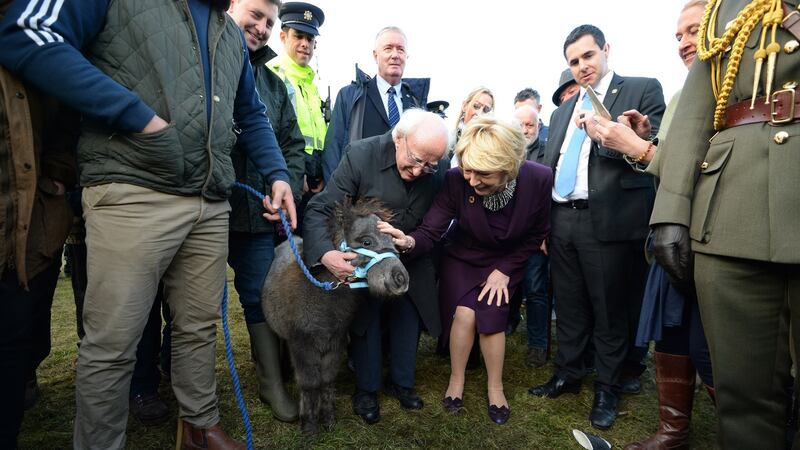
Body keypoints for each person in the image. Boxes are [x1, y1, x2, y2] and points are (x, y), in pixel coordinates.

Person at [0, 0, 297, 448]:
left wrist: (277, 172)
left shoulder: (229, 30)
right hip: (131, 190)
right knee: (113, 342)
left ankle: (199, 428)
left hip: (210, 202)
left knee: (198, 329)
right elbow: (26, 33)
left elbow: (250, 112)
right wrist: (138, 117)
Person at [649, 0, 800, 447]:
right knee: (742, 399)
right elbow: (697, 110)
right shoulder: (725, 11)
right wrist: (672, 210)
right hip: (732, 215)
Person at [573, 2, 714, 449]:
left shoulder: (733, 90)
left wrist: (635, 146)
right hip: (674, 234)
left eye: (695, 30)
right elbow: (680, 155)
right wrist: (650, 136)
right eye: (678, 35)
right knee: (673, 330)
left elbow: (709, 165)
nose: (684, 43)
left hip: (711, 233)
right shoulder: (685, 94)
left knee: (711, 344)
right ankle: (673, 432)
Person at [530, 24, 665, 430]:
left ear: (605, 50)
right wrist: (543, 224)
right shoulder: (561, 111)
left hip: (607, 221)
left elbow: (656, 148)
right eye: (573, 61)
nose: (582, 66)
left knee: (609, 310)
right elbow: (551, 166)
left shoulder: (641, 89)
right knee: (568, 305)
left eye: (588, 56)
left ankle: (608, 387)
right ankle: (568, 374)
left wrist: (632, 136)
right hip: (562, 219)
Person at [380, 116, 552, 425]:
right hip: (462, 256)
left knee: (492, 312)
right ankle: (456, 380)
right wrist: (407, 241)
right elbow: (432, 230)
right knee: (465, 313)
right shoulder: (456, 178)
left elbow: (537, 233)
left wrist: (506, 270)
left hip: (505, 262)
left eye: (483, 174)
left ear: (509, 166)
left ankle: (495, 387)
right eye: (468, 170)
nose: (472, 181)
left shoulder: (539, 179)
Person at [303, 109, 449, 425]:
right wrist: (326, 254)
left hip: (412, 257)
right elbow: (321, 209)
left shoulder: (437, 168)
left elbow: (437, 221)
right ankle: (366, 390)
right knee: (367, 321)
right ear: (399, 138)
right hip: (367, 261)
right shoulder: (361, 155)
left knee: (407, 319)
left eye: (430, 165)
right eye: (415, 159)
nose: (420, 170)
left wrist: (411, 241)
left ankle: (402, 383)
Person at [226, 0, 306, 422]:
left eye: (269, 22)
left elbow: (292, 144)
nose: (260, 27)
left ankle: (270, 384)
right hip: (205, 208)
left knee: (259, 296)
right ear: (231, 6)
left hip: (257, 213)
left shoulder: (274, 87)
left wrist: (284, 186)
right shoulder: (207, 64)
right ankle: (155, 381)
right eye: (254, 16)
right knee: (188, 302)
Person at [0, 57, 76, 449]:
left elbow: (65, 126)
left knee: (19, 335)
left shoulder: (35, 44)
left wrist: (57, 178)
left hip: (30, 218)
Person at [321, 26, 430, 182]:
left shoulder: (416, 104)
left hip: (405, 197)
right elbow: (333, 149)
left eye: (400, 50)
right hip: (361, 196)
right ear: (375, 55)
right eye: (388, 48)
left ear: (407, 56)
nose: (395, 55)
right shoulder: (350, 96)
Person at [269, 1, 327, 229]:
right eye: (299, 36)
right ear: (283, 37)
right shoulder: (273, 75)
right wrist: (294, 174)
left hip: (313, 179)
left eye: (310, 39)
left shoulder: (312, 84)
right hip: (288, 176)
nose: (305, 44)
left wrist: (319, 172)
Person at [506, 105, 551, 368]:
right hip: (509, 234)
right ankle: (508, 323)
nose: (525, 130)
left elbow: (552, 196)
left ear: (538, 125)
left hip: (535, 236)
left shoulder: (548, 151)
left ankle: (538, 344)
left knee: (535, 289)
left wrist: (545, 233)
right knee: (509, 285)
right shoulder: (506, 150)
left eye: (530, 125)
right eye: (520, 125)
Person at [448, 86, 494, 166]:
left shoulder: (491, 146)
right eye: (476, 106)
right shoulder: (447, 138)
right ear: (465, 106)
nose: (479, 113)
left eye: (486, 110)